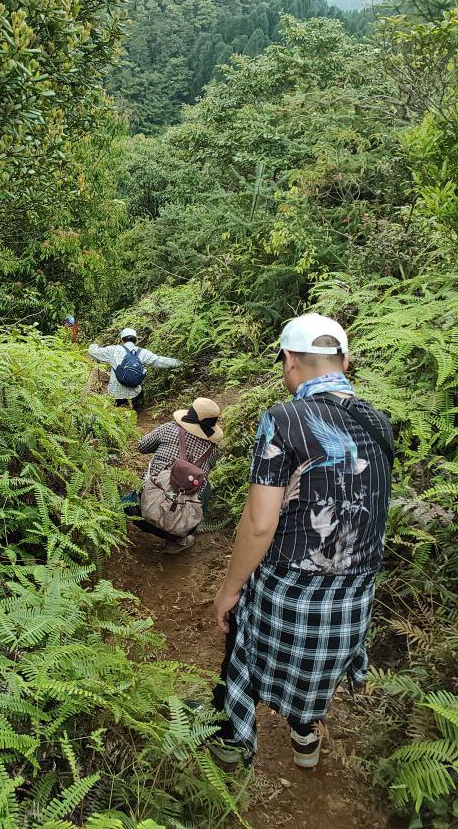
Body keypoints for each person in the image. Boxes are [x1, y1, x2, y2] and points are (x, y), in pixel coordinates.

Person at [211, 313, 394, 769]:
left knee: (244, 649)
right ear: (345, 361)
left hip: (289, 582)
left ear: (290, 360)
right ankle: (305, 734)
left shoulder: (284, 419)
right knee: (317, 665)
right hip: (356, 587)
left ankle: (233, 741)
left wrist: (230, 588)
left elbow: (259, 523)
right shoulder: (380, 422)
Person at [124, 398, 223, 553]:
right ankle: (175, 542)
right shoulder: (213, 450)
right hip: (178, 525)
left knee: (124, 503)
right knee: (205, 486)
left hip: (141, 511)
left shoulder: (169, 428)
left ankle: (114, 529)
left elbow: (142, 446)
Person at [87, 328, 181, 409]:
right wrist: (180, 363)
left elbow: (92, 352)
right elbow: (159, 361)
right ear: (136, 340)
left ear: (121, 340)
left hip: (115, 393)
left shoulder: (113, 350)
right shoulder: (143, 352)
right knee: (136, 406)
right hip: (134, 394)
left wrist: (94, 345)